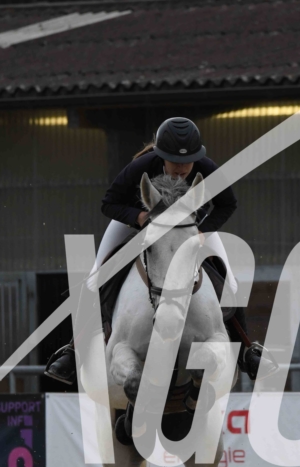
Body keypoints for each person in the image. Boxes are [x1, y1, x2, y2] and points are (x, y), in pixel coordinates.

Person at [44, 116, 274, 384]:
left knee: (229, 280)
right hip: (136, 222)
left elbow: (227, 204)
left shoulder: (207, 168)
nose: (181, 168)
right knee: (94, 279)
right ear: (160, 156)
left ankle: (246, 350)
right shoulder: (141, 166)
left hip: (189, 227)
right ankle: (73, 350)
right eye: (174, 161)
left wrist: (202, 231)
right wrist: (139, 217)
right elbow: (109, 203)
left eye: (187, 162)